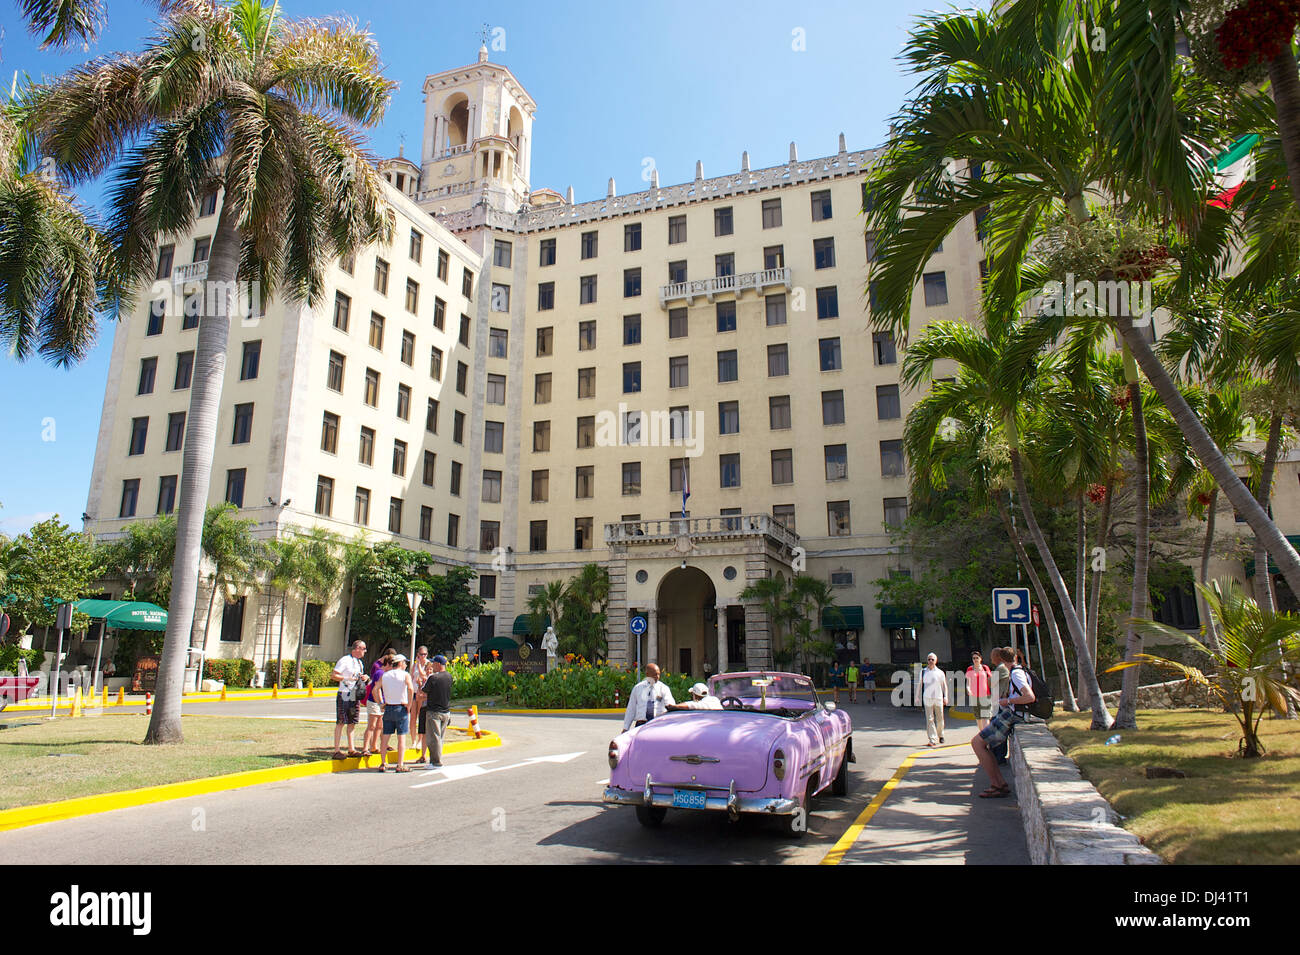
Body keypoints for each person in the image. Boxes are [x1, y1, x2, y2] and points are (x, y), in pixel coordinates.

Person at [971, 647, 1036, 798]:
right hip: (1012, 713)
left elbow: (1029, 696)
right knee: (984, 745)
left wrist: (1008, 701)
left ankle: (996, 784)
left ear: (1000, 657)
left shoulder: (1016, 673)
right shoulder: (1018, 670)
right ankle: (999, 783)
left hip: (1013, 714)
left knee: (977, 743)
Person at [376, 654, 415, 773]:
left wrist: (381, 703)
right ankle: (400, 764)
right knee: (401, 737)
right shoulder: (405, 675)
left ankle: (383, 763)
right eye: (405, 663)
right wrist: (409, 705)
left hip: (388, 707)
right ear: (401, 663)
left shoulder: (385, 675)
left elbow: (375, 689)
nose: (406, 665)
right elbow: (410, 689)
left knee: (385, 737)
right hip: (401, 707)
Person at [330, 640, 367, 758]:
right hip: (344, 693)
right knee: (341, 721)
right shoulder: (345, 660)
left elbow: (359, 677)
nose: (365, 651)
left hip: (354, 694)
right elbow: (334, 675)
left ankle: (351, 748)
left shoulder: (360, 663)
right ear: (356, 649)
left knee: (352, 722)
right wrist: (347, 678)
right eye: (363, 648)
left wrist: (364, 677)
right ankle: (337, 750)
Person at [419, 654, 454, 767]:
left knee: (433, 738)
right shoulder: (449, 676)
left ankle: (436, 762)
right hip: (445, 711)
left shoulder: (433, 678)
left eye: (433, 663)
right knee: (440, 737)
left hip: (434, 711)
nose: (432, 665)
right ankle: (437, 759)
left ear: (438, 664)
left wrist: (420, 684)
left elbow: (424, 692)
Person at [622, 662, 675, 730]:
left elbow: (671, 705)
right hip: (641, 724)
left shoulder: (664, 688)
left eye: (658, 674)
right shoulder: (638, 688)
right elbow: (631, 709)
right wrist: (626, 728)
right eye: (655, 674)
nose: (657, 677)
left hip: (658, 724)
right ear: (647, 675)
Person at [361, 651, 392, 758]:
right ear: (387, 664)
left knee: (379, 725)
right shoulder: (380, 673)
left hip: (380, 702)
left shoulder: (386, 674)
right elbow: (376, 690)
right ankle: (365, 748)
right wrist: (380, 703)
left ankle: (374, 746)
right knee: (372, 725)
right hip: (374, 702)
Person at [915, 652, 948, 746]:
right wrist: (917, 696)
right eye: (929, 659)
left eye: (932, 659)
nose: (930, 661)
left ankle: (940, 735)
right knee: (930, 719)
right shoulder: (923, 671)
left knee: (940, 718)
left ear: (936, 661)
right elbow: (919, 684)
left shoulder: (940, 672)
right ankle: (932, 739)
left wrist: (945, 696)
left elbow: (944, 686)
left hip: (938, 698)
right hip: (927, 698)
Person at [991, 648, 1012, 765]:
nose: (991, 658)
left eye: (992, 655)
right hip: (998, 703)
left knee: (998, 731)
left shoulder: (1001, 668)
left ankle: (999, 757)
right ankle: (997, 756)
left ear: (998, 656)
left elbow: (989, 682)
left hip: (1001, 705)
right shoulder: (1000, 668)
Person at [410, 646, 432, 755]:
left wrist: (419, 666)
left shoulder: (427, 665)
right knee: (412, 717)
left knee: (420, 716)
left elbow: (424, 677)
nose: (423, 656)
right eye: (421, 654)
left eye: (425, 654)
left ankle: (420, 740)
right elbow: (411, 677)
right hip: (414, 692)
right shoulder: (414, 665)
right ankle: (413, 740)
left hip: (422, 693)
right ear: (418, 654)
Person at [966, 651, 994, 731]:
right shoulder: (970, 669)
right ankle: (982, 734)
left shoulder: (985, 668)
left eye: (977, 658)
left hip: (985, 695)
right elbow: (968, 683)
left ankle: (986, 735)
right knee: (978, 717)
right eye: (974, 658)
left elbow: (990, 680)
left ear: (980, 659)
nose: (975, 660)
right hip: (974, 696)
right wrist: (968, 690)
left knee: (985, 716)